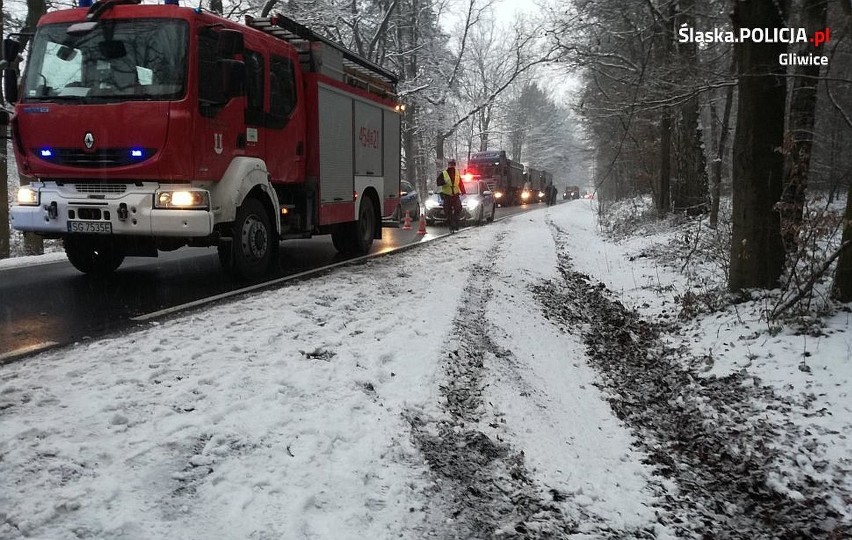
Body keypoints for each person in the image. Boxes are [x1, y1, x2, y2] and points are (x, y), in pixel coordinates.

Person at [437, 159, 466, 231]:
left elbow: (460, 183)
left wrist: (463, 192)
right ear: (448, 165)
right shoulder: (444, 173)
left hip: (455, 195)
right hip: (447, 195)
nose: (452, 166)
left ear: (454, 165)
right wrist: (444, 182)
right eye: (451, 164)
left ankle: (455, 223)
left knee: (458, 209)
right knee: (447, 211)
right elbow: (438, 182)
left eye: (453, 164)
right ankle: (451, 225)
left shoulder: (457, 173)